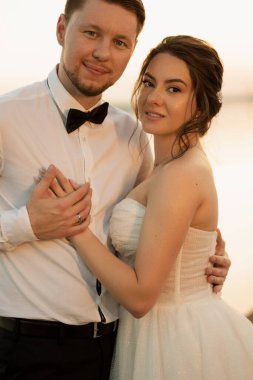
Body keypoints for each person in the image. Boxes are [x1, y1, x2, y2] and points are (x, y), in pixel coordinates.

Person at [0, 0, 230, 377]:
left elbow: (150, 235)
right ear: (61, 29)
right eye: (91, 33)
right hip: (27, 351)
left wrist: (201, 259)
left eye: (120, 42)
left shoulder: (137, 137)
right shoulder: (6, 119)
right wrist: (26, 223)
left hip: (120, 347)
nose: (103, 52)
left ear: (131, 51)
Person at [48, 35, 253, 379]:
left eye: (174, 89)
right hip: (158, 329)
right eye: (149, 82)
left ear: (201, 104)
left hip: (175, 339)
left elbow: (142, 297)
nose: (153, 98)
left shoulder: (182, 174)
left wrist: (76, 228)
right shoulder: (161, 162)